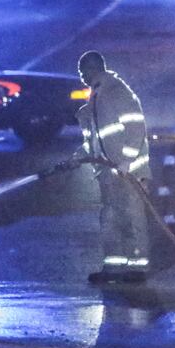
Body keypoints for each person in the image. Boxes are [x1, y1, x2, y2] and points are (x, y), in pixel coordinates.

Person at [68, 51, 152, 284]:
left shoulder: (117, 92)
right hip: (108, 172)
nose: (81, 77)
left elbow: (136, 128)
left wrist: (126, 162)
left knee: (132, 217)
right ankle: (114, 267)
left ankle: (137, 269)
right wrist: (78, 157)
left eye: (82, 72)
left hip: (129, 171)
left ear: (92, 69)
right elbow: (95, 140)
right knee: (111, 218)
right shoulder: (96, 98)